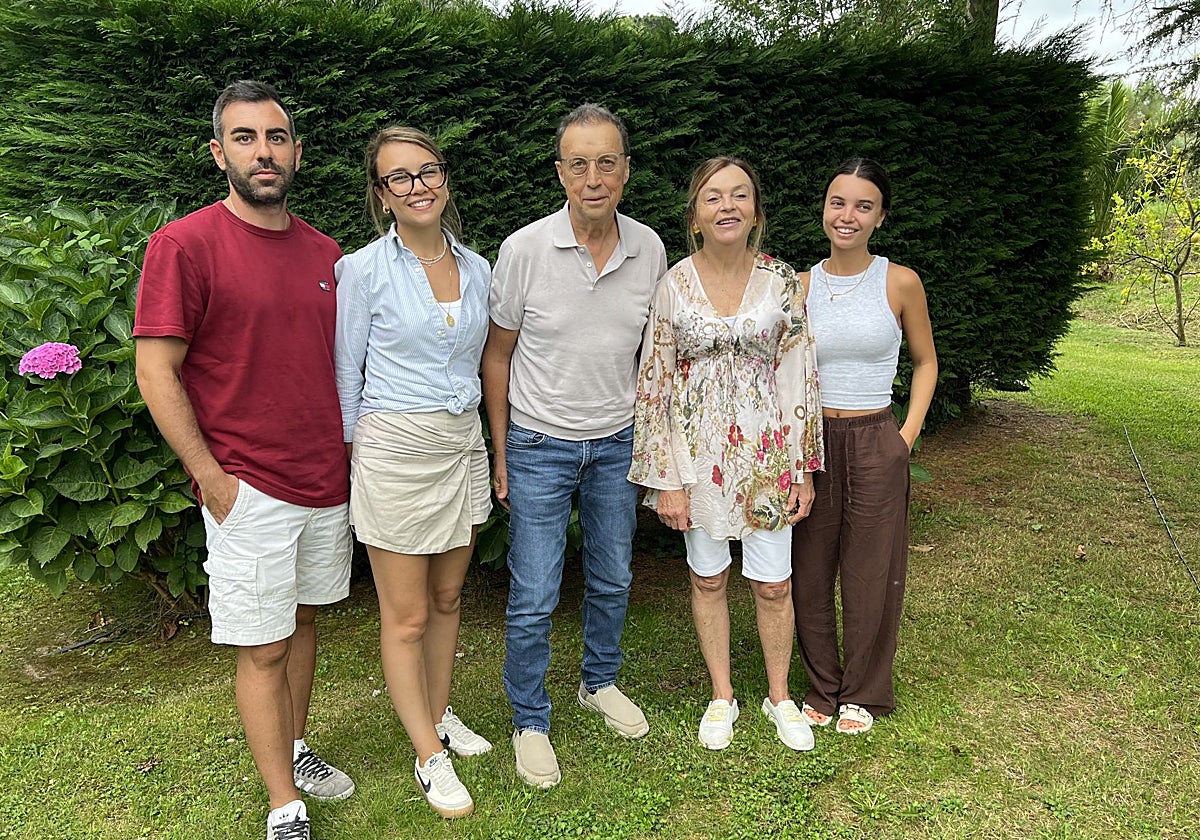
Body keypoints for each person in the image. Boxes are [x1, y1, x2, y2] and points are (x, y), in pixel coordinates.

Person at [134, 80, 353, 840]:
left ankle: (295, 752)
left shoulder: (327, 253)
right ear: (219, 151)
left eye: (277, 137)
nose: (265, 151)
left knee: (303, 626)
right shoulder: (184, 245)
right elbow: (156, 370)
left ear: (297, 151)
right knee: (262, 646)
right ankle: (281, 803)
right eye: (247, 137)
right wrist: (212, 477)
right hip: (247, 485)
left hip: (326, 479)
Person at [482, 103, 668, 789]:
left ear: (626, 170)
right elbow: (496, 356)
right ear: (560, 172)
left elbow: (654, 356)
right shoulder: (524, 249)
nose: (594, 176)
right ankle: (530, 718)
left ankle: (599, 681)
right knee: (533, 593)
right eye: (580, 163)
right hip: (538, 443)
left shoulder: (649, 248)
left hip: (616, 443)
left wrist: (652, 447)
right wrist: (503, 452)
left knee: (615, 576)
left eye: (607, 161)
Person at [629, 157, 824, 752]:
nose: (727, 206)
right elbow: (654, 381)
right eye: (713, 197)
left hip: (767, 462)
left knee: (773, 584)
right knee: (708, 579)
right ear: (695, 216)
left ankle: (779, 696)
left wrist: (804, 469)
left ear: (757, 211)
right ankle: (721, 697)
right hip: (697, 461)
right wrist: (666, 478)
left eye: (740, 195)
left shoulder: (783, 282)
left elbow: (801, 375)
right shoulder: (673, 285)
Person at [333, 127, 492, 819]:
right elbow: (346, 370)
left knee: (449, 598)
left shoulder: (478, 267)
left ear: (445, 179)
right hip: (395, 447)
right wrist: (352, 456)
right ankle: (428, 753)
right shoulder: (361, 270)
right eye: (400, 177)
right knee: (404, 616)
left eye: (428, 171)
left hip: (463, 444)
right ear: (381, 194)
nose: (418, 185)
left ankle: (438, 710)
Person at [791, 157, 938, 736]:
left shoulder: (899, 281)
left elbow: (926, 363)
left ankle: (864, 690)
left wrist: (905, 436)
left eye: (862, 205)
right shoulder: (799, 286)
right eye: (837, 202)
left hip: (878, 435)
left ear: (880, 217)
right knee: (809, 567)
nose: (846, 215)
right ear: (824, 208)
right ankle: (822, 685)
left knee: (871, 568)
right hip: (811, 442)